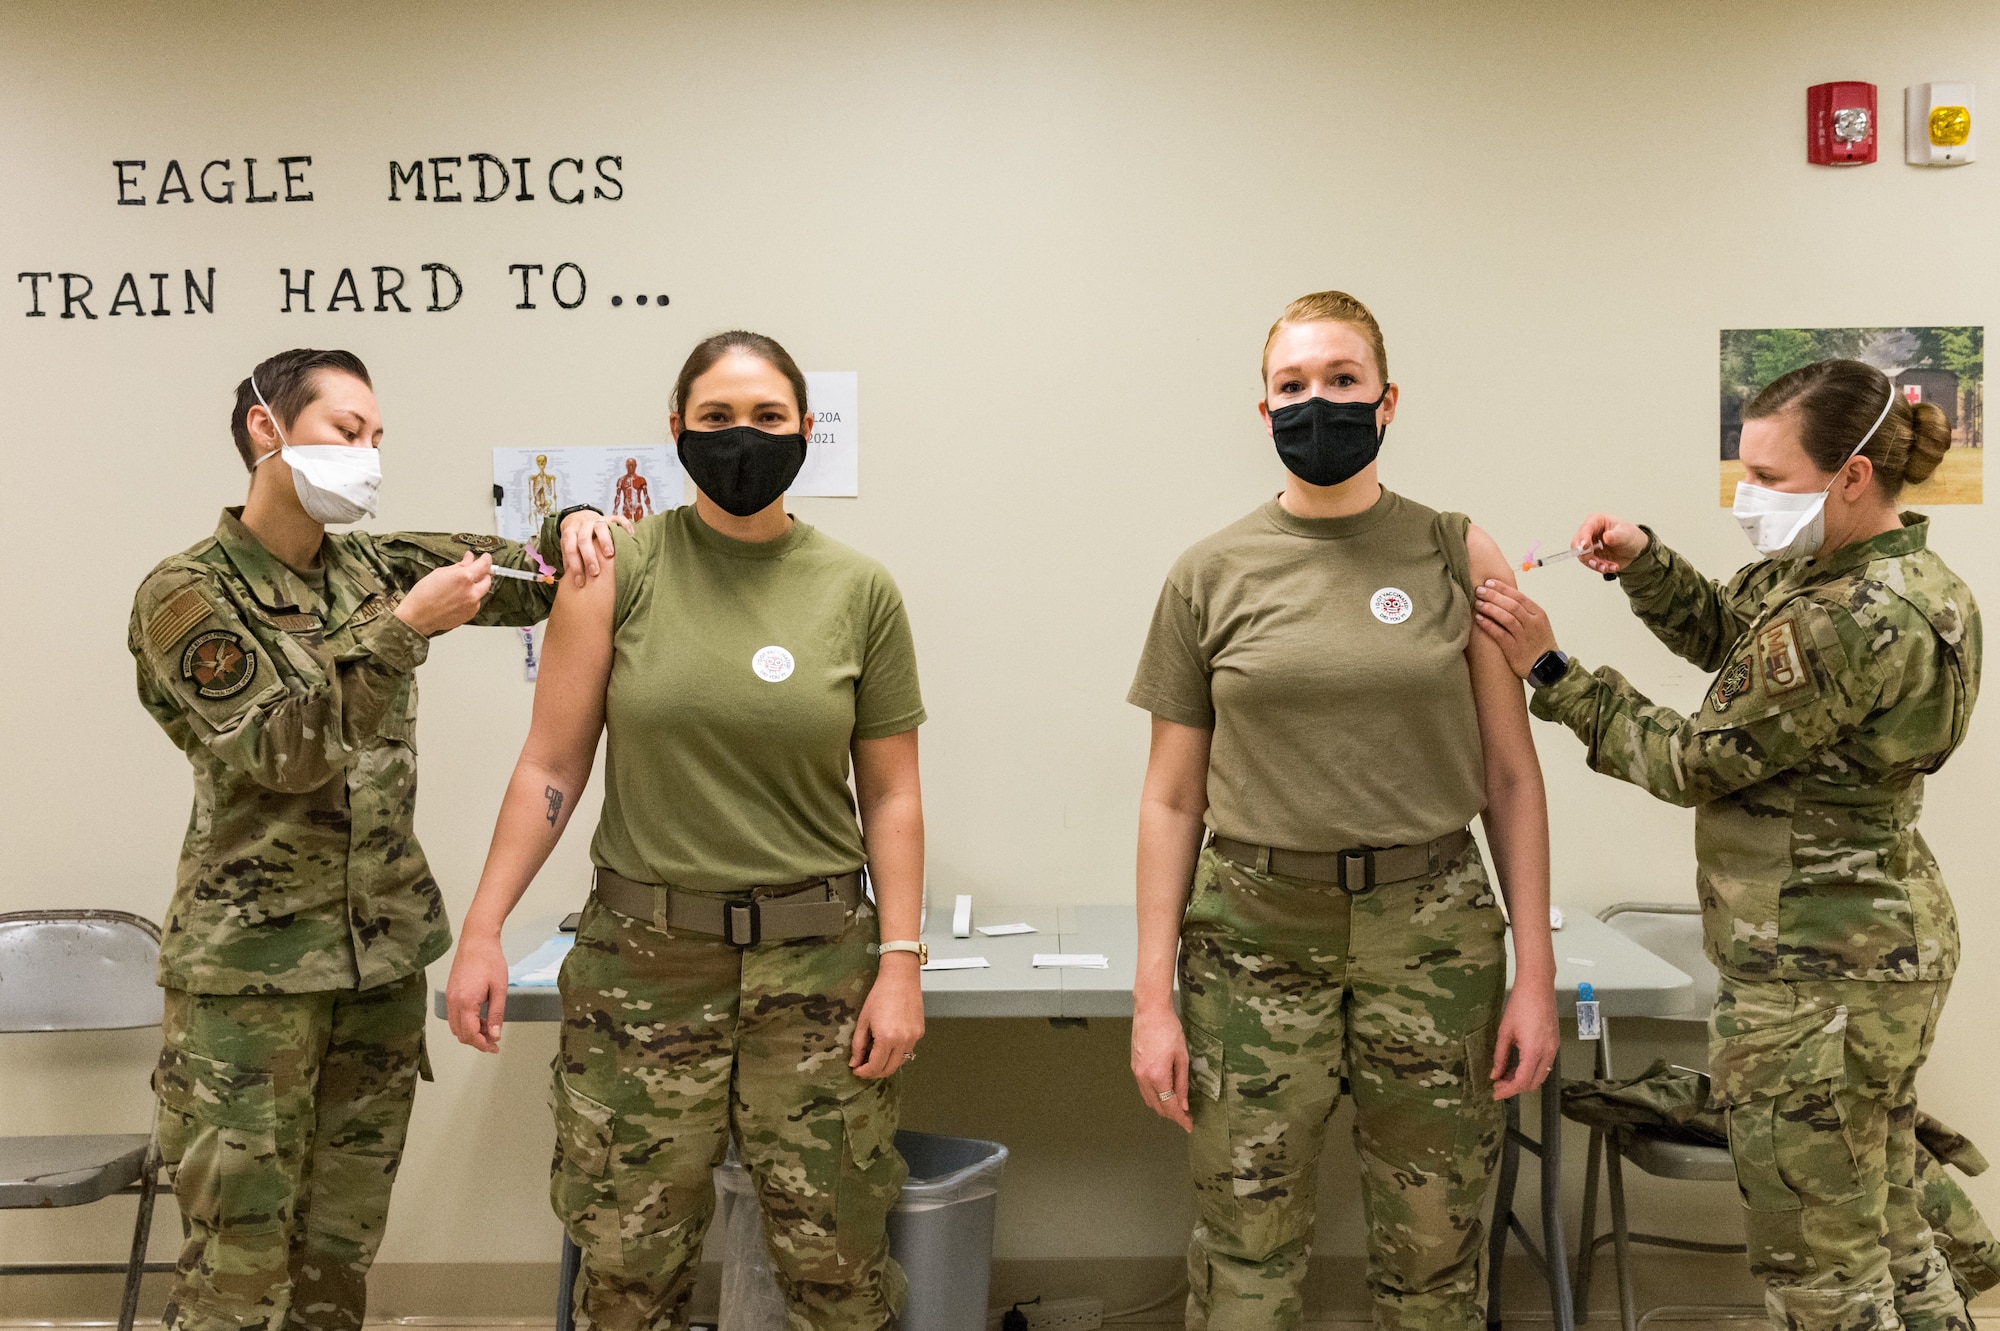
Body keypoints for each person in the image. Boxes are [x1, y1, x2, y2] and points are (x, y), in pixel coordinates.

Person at [1473, 358, 1980, 1331]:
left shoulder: (1846, 617)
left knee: (1820, 1260)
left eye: (1771, 477)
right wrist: (1644, 563)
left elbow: (1691, 761)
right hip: (1880, 946)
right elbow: (1733, 635)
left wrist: (1549, 667)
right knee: (1885, 1218)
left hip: (1818, 971)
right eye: (1740, 470)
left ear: (1851, 475)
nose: (1749, 497)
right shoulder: (1892, 575)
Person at [128, 348, 619, 1331]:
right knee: (236, 1272)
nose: (369, 455)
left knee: (332, 1268)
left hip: (377, 969)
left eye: (377, 438)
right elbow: (280, 747)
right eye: (348, 432)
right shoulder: (185, 594)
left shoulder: (376, 562)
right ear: (268, 430)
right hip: (248, 987)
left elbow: (530, 569)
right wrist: (400, 630)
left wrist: (570, 524)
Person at [445, 330, 927, 1331]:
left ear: (804, 429)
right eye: (714, 418)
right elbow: (551, 762)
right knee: (626, 1272)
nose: (738, 437)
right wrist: (483, 926)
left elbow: (890, 794)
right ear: (675, 431)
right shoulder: (613, 568)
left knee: (839, 1270)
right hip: (644, 967)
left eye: (764, 417)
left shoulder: (859, 589)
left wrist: (899, 961)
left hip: (817, 971)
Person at [1126, 291, 1561, 1330]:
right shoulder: (1209, 572)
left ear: (1386, 398)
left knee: (1435, 1240)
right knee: (1244, 1243)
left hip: (1432, 930)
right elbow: (1170, 796)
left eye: (1339, 381)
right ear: (1263, 406)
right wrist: (1151, 998)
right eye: (1292, 384)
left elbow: (1510, 776)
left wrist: (1533, 971)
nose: (1315, 401)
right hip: (1253, 933)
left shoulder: (1456, 550)